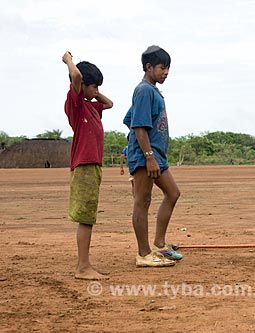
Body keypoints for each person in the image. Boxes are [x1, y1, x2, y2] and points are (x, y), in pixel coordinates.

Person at [123, 45, 182, 267]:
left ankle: (158, 242)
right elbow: (137, 126)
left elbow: (129, 118)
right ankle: (144, 254)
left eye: (168, 68)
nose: (166, 72)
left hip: (156, 156)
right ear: (148, 67)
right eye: (161, 67)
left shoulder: (153, 91)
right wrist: (147, 155)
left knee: (173, 193)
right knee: (142, 201)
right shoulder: (144, 90)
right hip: (146, 157)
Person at [62, 51, 113, 280]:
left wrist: (95, 92)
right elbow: (75, 76)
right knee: (86, 218)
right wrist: (68, 60)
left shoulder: (92, 107)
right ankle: (83, 267)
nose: (95, 91)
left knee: (88, 216)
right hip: (84, 166)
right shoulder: (76, 105)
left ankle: (84, 265)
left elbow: (110, 104)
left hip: (93, 167)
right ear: (82, 86)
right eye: (92, 86)